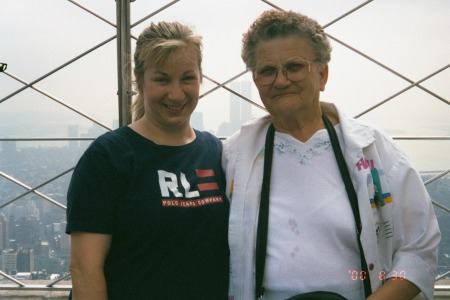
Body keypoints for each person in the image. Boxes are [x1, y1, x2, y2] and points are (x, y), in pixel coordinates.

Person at [222, 9, 440, 300]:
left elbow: (420, 248)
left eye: (295, 67)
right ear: (256, 79)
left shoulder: (375, 150)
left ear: (323, 74)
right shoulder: (235, 154)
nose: (281, 80)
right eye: (267, 71)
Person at [66, 21, 229, 300]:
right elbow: (85, 270)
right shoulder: (108, 157)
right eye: (162, 79)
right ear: (139, 80)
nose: (176, 94)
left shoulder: (216, 152)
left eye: (187, 78)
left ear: (201, 79)